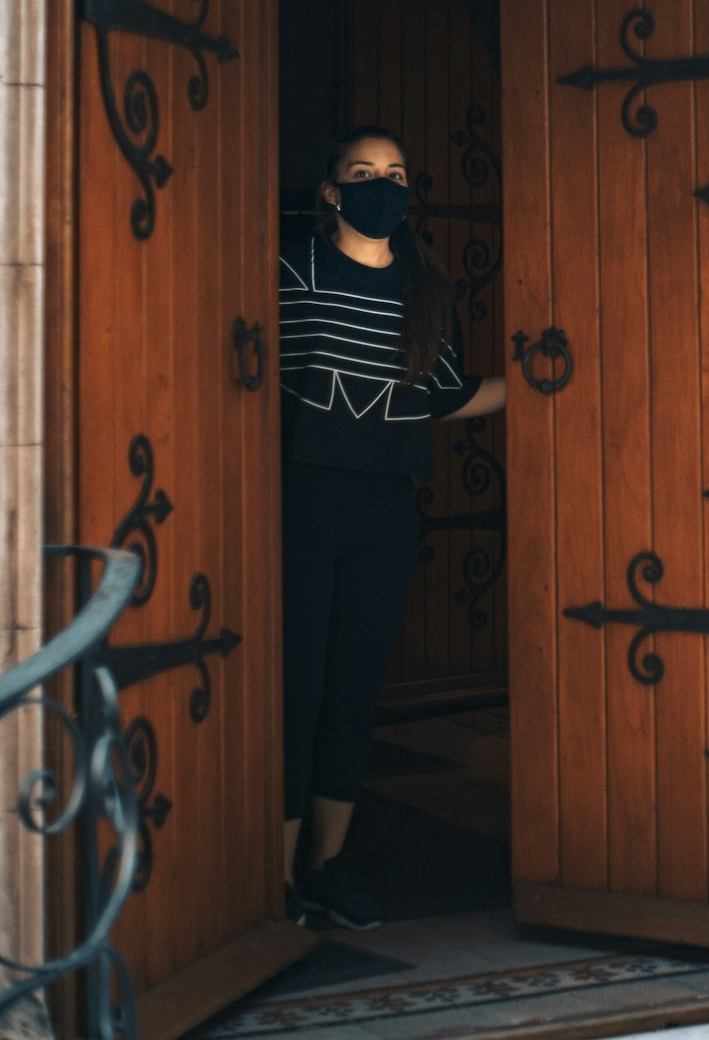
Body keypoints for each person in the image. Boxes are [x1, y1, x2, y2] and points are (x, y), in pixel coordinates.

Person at [278, 124, 506, 928]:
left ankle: (327, 869)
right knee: (294, 691)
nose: (384, 185)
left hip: (385, 510)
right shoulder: (290, 272)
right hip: (301, 503)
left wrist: (545, 384)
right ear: (333, 190)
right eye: (365, 172)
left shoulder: (423, 291)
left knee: (351, 692)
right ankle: (273, 889)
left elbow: (443, 395)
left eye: (398, 173)